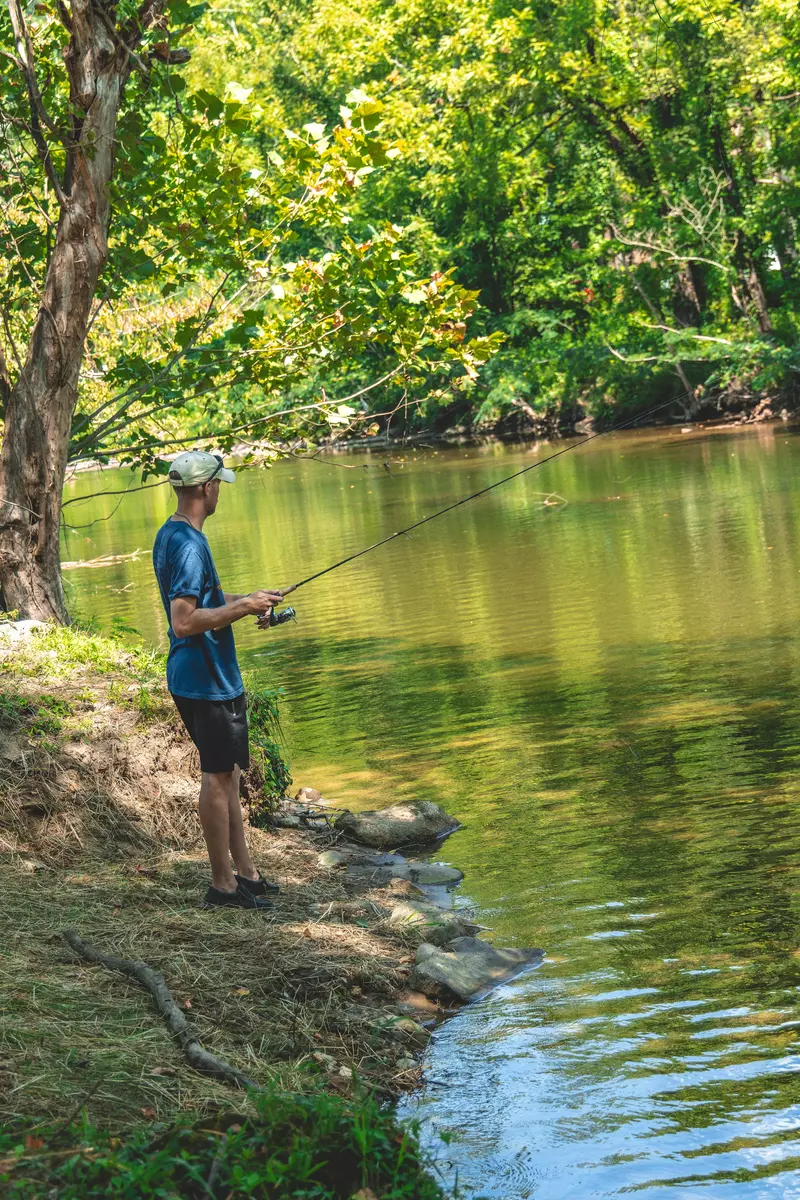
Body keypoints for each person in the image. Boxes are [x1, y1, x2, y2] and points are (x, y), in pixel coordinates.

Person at [152, 450, 284, 910]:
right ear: (206, 488)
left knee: (226, 775)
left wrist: (248, 599)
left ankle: (244, 872)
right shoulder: (188, 544)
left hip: (208, 676)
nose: (220, 492)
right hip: (203, 678)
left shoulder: (173, 533)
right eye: (219, 485)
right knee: (216, 776)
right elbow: (184, 620)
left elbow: (204, 597)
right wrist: (242, 609)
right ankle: (222, 885)